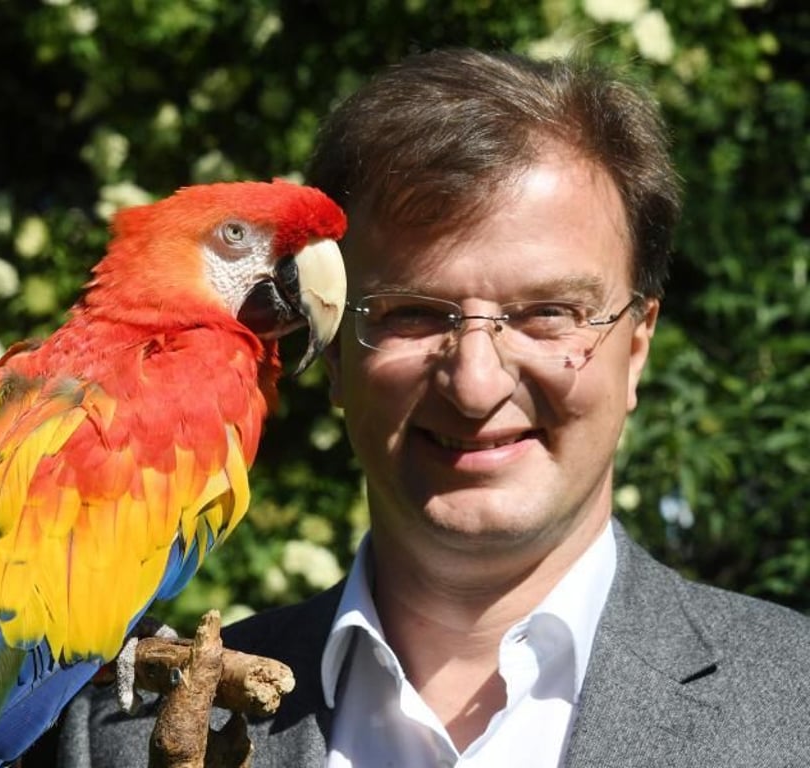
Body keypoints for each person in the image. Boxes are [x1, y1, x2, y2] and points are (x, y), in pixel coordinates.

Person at [57, 48, 810, 767]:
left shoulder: (792, 706)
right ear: (335, 356)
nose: (476, 385)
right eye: (411, 314)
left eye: (547, 312)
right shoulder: (115, 734)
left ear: (636, 348)